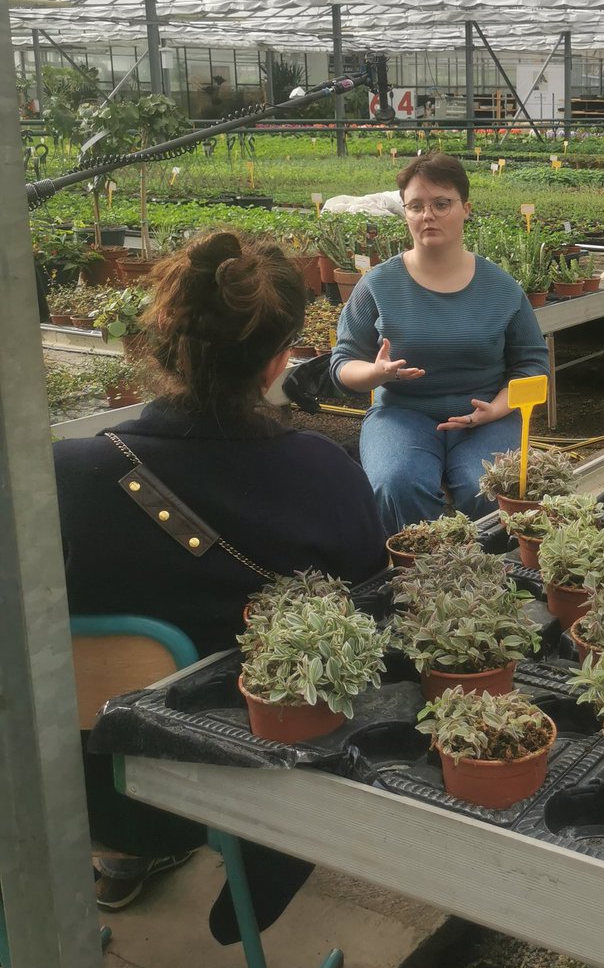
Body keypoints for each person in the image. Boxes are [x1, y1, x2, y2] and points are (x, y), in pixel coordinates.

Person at [54, 229, 388, 912]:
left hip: (70, 788)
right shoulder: (325, 476)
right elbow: (373, 616)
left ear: (160, 342)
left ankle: (123, 852)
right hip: (248, 793)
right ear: (277, 361)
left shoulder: (59, 478)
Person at [330, 152, 549, 531]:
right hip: (401, 415)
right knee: (398, 483)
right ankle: (416, 579)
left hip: (485, 420)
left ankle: (491, 578)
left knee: (490, 490)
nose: (427, 215)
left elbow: (532, 365)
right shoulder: (378, 285)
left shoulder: (501, 288)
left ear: (466, 209)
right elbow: (342, 363)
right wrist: (375, 373)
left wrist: (497, 409)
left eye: (441, 204)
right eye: (415, 206)